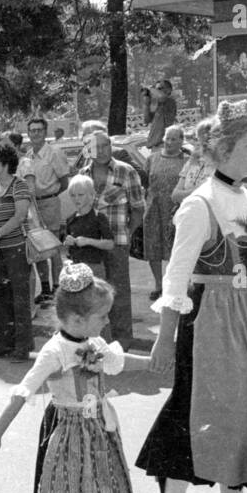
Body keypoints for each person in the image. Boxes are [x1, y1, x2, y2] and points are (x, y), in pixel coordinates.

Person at [136, 99, 247, 493]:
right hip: (208, 315)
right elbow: (176, 275)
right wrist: (164, 339)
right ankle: (173, 475)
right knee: (203, 409)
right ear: (221, 150)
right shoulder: (198, 205)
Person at [0, 263, 147, 493]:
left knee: (99, 491)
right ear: (76, 320)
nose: (107, 321)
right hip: (70, 430)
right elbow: (24, 390)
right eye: (102, 316)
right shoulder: (55, 351)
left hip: (98, 428)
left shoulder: (93, 340)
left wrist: (154, 360)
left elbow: (116, 363)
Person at [80, 129, 145, 344]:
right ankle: (99, 342)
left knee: (119, 293)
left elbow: (138, 208)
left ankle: (122, 343)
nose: (102, 151)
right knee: (94, 293)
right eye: (96, 147)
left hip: (117, 242)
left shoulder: (126, 172)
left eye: (106, 145)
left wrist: (128, 231)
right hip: (90, 244)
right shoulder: (83, 174)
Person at [0, 141, 34, 361]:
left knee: (19, 297)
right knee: (2, 296)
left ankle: (22, 347)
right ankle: (2, 344)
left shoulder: (19, 185)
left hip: (16, 248)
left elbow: (20, 215)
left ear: (5, 164)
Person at [21, 117, 73, 304]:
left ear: (45, 132)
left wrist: (52, 198)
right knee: (38, 246)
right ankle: (45, 288)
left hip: (50, 203)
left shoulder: (54, 153)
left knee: (53, 246)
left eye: (39, 130)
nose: (35, 133)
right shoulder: (27, 156)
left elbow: (64, 182)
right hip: (33, 207)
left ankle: (58, 287)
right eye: (32, 130)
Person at [143, 124, 186, 300]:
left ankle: (173, 284)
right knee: (153, 246)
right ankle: (158, 284)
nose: (169, 142)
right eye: (167, 138)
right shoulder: (152, 159)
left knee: (175, 248)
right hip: (154, 208)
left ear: (181, 141)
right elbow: (145, 183)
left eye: (174, 139)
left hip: (175, 210)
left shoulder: (186, 161)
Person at [62, 175, 113, 272]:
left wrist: (88, 241)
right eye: (73, 195)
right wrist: (68, 242)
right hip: (75, 266)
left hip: (94, 265)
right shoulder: (70, 219)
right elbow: (67, 247)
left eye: (80, 195)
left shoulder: (99, 217)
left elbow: (110, 244)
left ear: (91, 195)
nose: (76, 199)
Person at [171, 117, 216, 206]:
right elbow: (175, 196)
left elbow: (212, 195)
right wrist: (198, 191)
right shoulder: (191, 163)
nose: (198, 143)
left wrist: (184, 194)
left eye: (205, 139)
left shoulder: (221, 165)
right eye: (197, 138)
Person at [143, 80, 178, 150]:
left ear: (168, 91)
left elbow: (162, 98)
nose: (156, 91)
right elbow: (146, 120)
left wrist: (150, 89)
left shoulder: (170, 102)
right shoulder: (156, 104)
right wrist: (146, 104)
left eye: (159, 88)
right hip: (155, 146)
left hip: (164, 145)